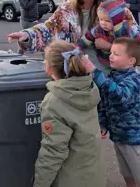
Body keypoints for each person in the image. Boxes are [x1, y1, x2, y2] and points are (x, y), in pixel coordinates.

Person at [8, 0, 136, 72]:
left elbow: (135, 43)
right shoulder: (68, 8)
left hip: (109, 78)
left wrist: (109, 46)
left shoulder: (114, 10)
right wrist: (27, 35)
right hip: (75, 75)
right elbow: (49, 27)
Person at [33, 40, 103, 187]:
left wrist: (39, 184)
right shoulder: (90, 88)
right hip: (93, 175)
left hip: (68, 179)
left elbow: (53, 152)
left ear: (49, 70)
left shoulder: (54, 102)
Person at [82, 38, 140, 187]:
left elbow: (119, 95)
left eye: (116, 54)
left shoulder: (134, 79)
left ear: (131, 61)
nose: (111, 56)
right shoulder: (113, 75)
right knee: (127, 174)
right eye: (111, 52)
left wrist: (95, 72)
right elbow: (105, 102)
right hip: (118, 136)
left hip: (134, 138)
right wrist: (103, 123)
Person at [76, 0, 140, 66]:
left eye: (108, 21)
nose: (103, 23)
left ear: (117, 20)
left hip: (123, 65)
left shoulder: (127, 30)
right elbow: (87, 37)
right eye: (101, 19)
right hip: (105, 62)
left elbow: (137, 43)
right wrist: (77, 46)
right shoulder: (98, 29)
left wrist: (110, 47)